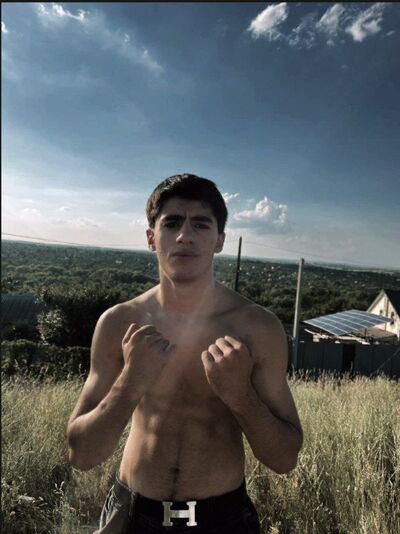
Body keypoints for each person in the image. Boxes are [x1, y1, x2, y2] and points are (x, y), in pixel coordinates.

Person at [67, 173, 303, 534]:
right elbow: (82, 454)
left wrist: (240, 394)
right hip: (131, 515)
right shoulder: (119, 323)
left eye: (201, 224)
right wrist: (132, 380)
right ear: (151, 238)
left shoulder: (258, 328)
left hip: (223, 519)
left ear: (220, 240)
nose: (185, 236)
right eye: (172, 223)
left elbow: (284, 459)